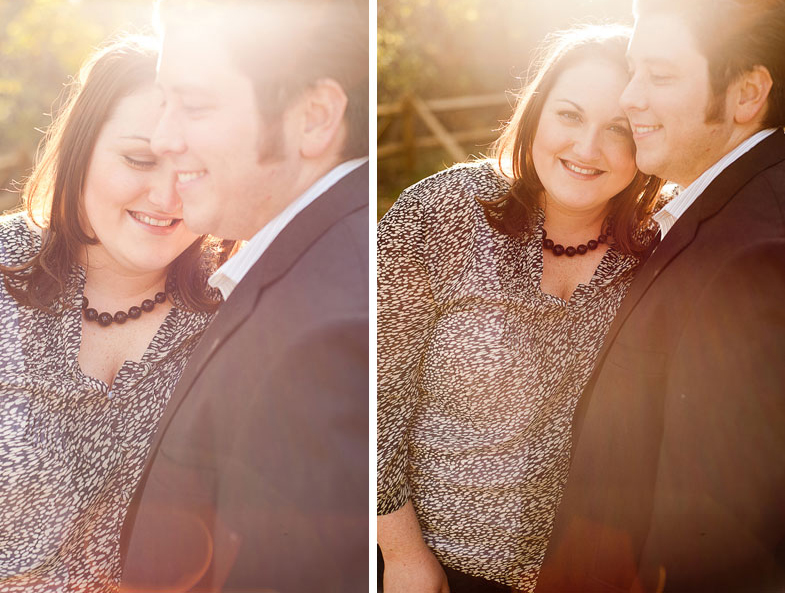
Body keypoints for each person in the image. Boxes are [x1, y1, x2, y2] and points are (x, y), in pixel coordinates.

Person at [377, 24, 662, 593]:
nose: (586, 149)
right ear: (536, 115)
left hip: (580, 575)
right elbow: (370, 394)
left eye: (619, 129)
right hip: (425, 566)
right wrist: (403, 557)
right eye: (570, 115)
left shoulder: (661, 248)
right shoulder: (444, 212)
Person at [0, 35, 232, 591]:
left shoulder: (235, 313)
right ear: (82, 148)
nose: (166, 197)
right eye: (139, 159)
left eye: (195, 168)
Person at [118, 1, 368, 592]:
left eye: (196, 105)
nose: (163, 138)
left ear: (314, 117)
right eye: (164, 102)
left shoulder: (328, 331)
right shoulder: (304, 264)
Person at [535, 1, 785, 591]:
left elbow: (720, 537)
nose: (629, 96)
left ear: (747, 94)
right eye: (634, 69)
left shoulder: (753, 253)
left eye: (661, 74)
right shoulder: (721, 211)